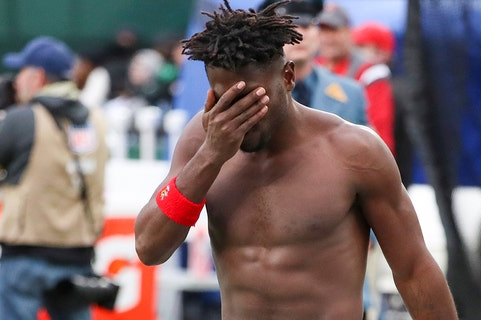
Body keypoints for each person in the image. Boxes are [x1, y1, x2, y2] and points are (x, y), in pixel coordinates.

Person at [134, 1, 458, 319]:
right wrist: (211, 156)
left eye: (253, 100)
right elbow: (150, 248)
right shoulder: (201, 139)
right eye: (226, 100)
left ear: (288, 77)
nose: (241, 116)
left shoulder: (353, 150)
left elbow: (413, 268)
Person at [0, 36, 109, 320]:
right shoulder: (97, 120)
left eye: (21, 73)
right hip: (78, 255)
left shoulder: (23, 118)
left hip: (25, 255)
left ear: (37, 77)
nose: (16, 82)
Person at [269, 0, 367, 126]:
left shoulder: (351, 93)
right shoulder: (261, 93)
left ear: (319, 34)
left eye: (306, 26)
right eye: (290, 26)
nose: (299, 34)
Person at [315, 4, 396, 154]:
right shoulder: (310, 69)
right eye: (322, 30)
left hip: (352, 159)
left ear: (349, 32)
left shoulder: (370, 73)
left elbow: (381, 138)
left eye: (334, 30)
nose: (327, 37)